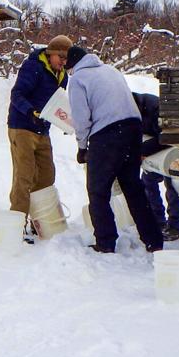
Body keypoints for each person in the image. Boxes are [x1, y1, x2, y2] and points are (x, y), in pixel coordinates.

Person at [66, 46, 164, 253]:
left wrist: (82, 148)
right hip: (133, 129)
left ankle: (105, 242)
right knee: (133, 188)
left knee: (98, 191)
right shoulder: (110, 70)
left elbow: (82, 119)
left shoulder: (77, 79)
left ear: (71, 66)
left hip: (107, 135)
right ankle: (154, 240)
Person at [7, 35, 71, 239]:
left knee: (46, 175)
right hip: (22, 126)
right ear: (50, 53)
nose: (63, 61)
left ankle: (41, 220)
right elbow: (17, 94)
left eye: (66, 58)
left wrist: (65, 121)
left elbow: (58, 103)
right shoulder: (33, 67)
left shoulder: (63, 76)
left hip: (42, 129)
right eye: (60, 56)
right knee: (24, 176)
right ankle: (16, 225)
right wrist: (30, 112)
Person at [133, 92, 179, 241]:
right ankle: (158, 221)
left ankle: (175, 225)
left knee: (172, 184)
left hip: (174, 145)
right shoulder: (131, 110)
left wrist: (141, 151)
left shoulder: (155, 107)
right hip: (153, 148)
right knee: (148, 180)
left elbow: (166, 137)